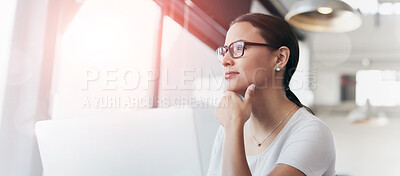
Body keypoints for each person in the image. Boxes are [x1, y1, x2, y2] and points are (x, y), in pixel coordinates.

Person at [207, 13, 335, 176]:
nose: (225, 60)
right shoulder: (228, 129)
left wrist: (233, 125)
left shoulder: (311, 132)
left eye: (238, 48)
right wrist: (232, 126)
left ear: (280, 58)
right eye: (224, 51)